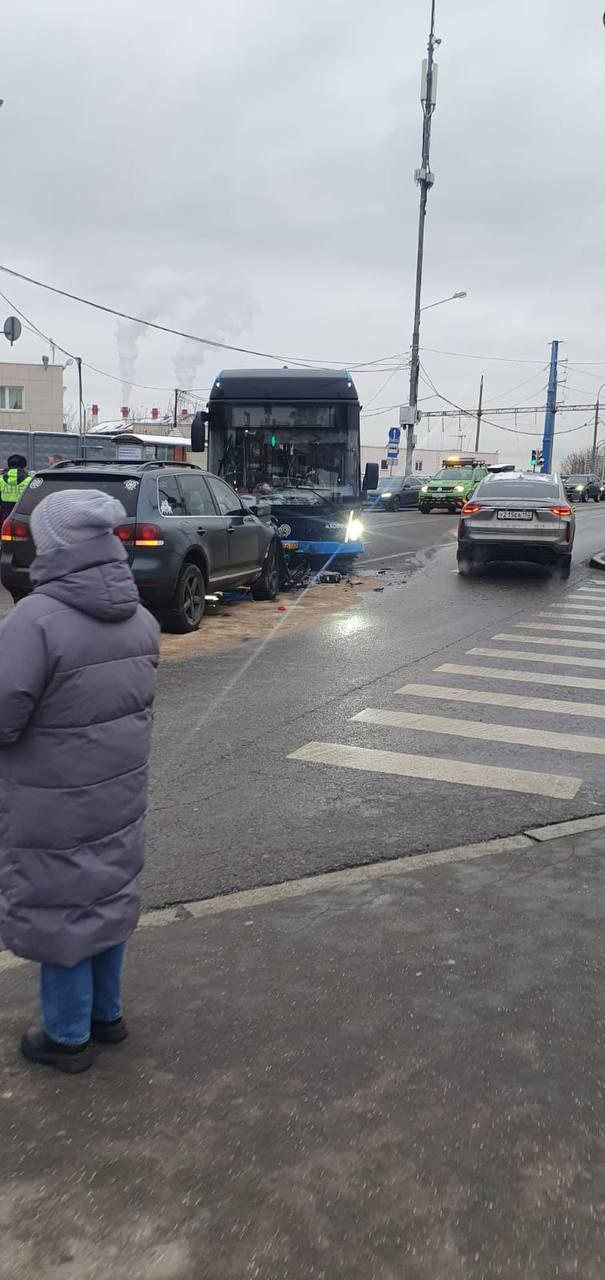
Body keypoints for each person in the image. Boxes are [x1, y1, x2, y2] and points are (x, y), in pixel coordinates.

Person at [0, 489, 160, 1073]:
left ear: (55, 546)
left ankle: (66, 1036)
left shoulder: (35, 621)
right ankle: (106, 1017)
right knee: (105, 897)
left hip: (53, 802)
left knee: (63, 908)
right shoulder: (141, 619)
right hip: (118, 792)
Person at [0, 453, 31, 527]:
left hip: (4, 517)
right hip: (23, 518)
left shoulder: (0, 479)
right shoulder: (29, 480)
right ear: (24, 466)